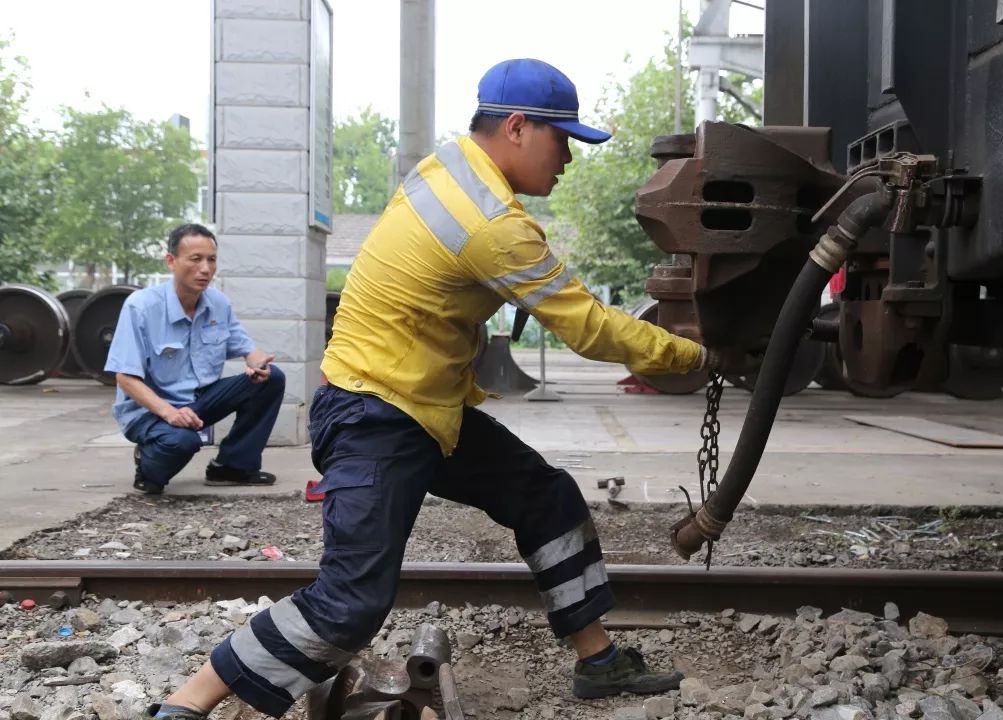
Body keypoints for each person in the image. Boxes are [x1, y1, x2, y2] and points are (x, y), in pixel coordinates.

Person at [148, 59, 723, 719]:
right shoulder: (492, 224)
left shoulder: (444, 168)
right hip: (375, 414)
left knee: (546, 497)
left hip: (420, 408)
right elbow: (589, 329)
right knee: (349, 606)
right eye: (562, 139)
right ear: (516, 128)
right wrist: (697, 356)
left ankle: (598, 662)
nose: (568, 158)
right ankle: (185, 706)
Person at [105, 223, 284, 495]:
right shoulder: (140, 307)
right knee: (182, 443)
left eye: (211, 260)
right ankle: (147, 464)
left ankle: (232, 467)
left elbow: (248, 349)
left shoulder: (218, 303)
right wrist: (170, 413)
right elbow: (125, 377)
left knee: (273, 379)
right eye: (196, 259)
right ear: (171, 261)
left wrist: (258, 364)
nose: (206, 269)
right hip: (152, 411)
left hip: (200, 401)